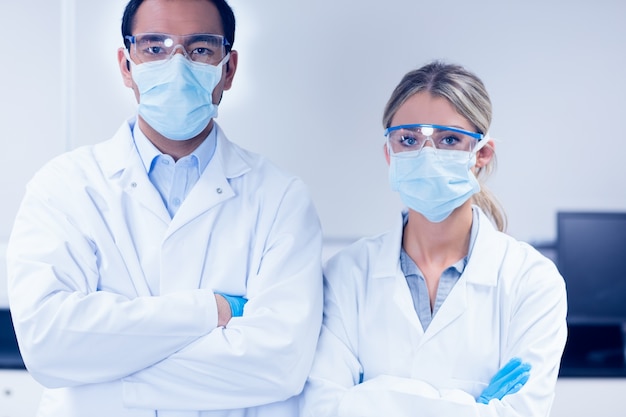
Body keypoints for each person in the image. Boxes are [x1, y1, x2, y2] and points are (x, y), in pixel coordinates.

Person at [7, 1, 323, 416]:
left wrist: (101, 385)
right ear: (126, 65)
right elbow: (48, 345)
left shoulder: (281, 198)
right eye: (155, 47)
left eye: (200, 50)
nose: (177, 66)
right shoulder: (64, 187)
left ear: (228, 69)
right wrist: (213, 309)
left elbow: (278, 364)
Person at [299, 61, 567, 417]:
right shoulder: (346, 273)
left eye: (449, 140)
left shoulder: (532, 280)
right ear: (389, 154)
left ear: (481, 154)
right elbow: (322, 408)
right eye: (408, 140)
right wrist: (472, 408)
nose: (427, 155)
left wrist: (370, 396)